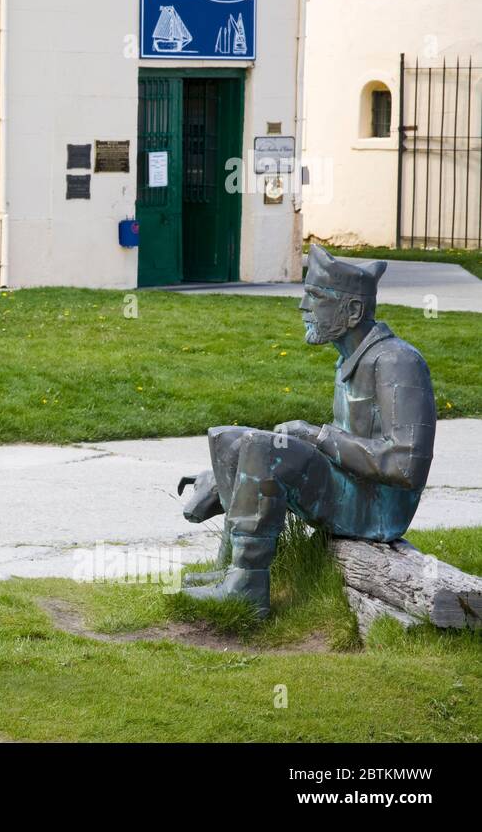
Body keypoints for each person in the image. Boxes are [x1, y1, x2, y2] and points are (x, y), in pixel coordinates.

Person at [177, 245, 436, 616]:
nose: (302, 307)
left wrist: (318, 436)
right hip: (351, 484)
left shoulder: (398, 362)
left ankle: (247, 588)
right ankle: (231, 568)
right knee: (230, 438)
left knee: (266, 448)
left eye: (314, 296)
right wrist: (223, 476)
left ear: (352, 311)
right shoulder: (351, 359)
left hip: (375, 509)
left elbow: (405, 466)